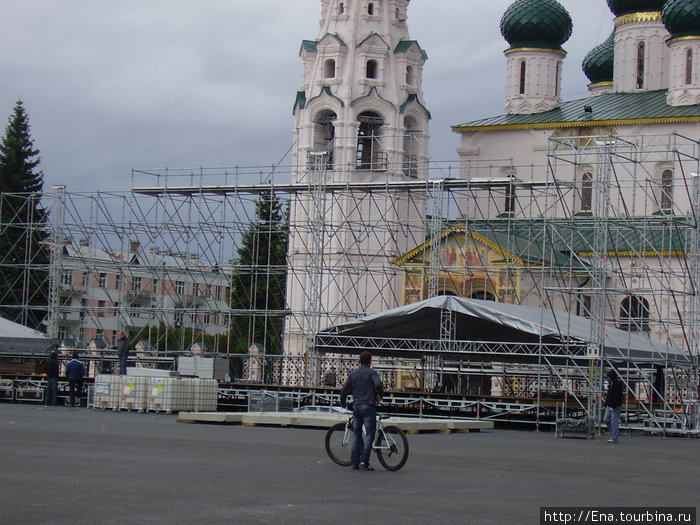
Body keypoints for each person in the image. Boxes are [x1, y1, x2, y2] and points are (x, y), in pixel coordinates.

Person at [339, 351, 383, 471]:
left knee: (356, 434)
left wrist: (343, 401)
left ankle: (355, 462)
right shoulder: (372, 373)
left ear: (359, 361)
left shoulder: (353, 374)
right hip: (368, 405)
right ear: (370, 362)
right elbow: (378, 384)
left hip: (356, 406)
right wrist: (380, 394)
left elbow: (344, 390)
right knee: (370, 434)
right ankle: (365, 461)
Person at [603, 369, 623, 443]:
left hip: (615, 406)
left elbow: (617, 397)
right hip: (609, 405)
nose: (607, 378)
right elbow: (609, 396)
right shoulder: (610, 385)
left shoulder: (617, 385)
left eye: (608, 377)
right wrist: (605, 404)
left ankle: (614, 437)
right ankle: (614, 434)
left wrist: (613, 406)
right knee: (606, 419)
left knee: (614, 421)